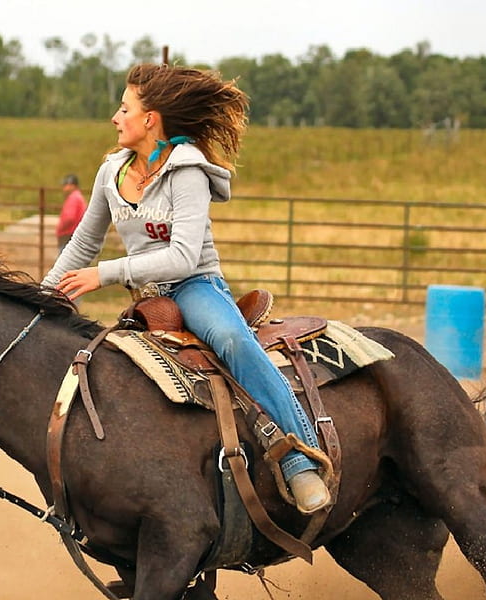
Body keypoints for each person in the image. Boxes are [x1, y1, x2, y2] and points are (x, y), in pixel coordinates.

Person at [41, 64, 330, 514]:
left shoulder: (188, 172)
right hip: (146, 300)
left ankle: (299, 459)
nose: (116, 118)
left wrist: (105, 274)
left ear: (150, 119)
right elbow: (83, 243)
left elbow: (182, 257)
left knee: (233, 340)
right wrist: (43, 298)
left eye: (124, 108)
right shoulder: (110, 173)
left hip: (195, 285)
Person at [56, 174, 88, 253]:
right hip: (74, 234)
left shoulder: (73, 198)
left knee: (65, 261)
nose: (64, 187)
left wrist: (61, 228)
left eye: (66, 185)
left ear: (72, 185)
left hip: (68, 234)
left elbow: (69, 217)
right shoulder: (78, 197)